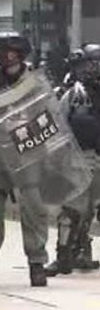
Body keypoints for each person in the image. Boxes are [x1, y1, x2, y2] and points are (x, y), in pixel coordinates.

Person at [0, 32, 50, 287]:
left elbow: (50, 120)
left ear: (19, 53)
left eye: (8, 51)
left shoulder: (36, 82)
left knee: (34, 211)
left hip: (29, 153)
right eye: (1, 51)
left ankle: (37, 264)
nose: (3, 56)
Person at [47, 44, 100, 276]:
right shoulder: (72, 95)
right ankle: (63, 255)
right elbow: (57, 125)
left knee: (90, 210)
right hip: (79, 156)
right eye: (88, 64)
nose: (92, 69)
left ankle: (82, 250)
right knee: (71, 209)